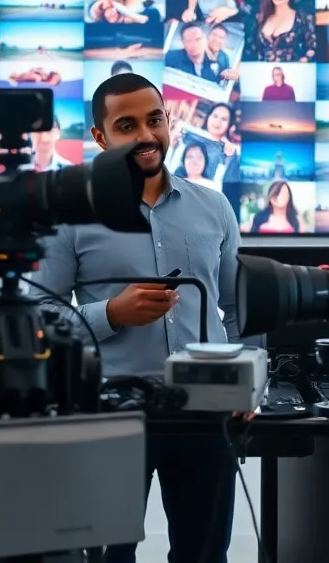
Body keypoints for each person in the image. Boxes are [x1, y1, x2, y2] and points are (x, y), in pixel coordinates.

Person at [30, 73, 241, 563]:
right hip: (108, 413)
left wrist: (248, 382)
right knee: (107, 557)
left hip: (205, 412)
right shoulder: (69, 215)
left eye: (155, 120)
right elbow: (40, 314)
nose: (146, 135)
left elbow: (238, 310)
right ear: (100, 137)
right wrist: (112, 313)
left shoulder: (214, 207)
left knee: (205, 555)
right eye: (127, 125)